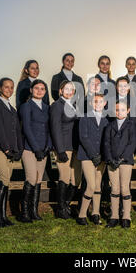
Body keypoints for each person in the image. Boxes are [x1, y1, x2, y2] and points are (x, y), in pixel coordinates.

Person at [0, 77, 23, 228]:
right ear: (0, 87)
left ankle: (3, 216)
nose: (9, 90)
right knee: (3, 178)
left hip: (12, 150)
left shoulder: (12, 109)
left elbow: (17, 131)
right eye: (6, 87)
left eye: (11, 87)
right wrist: (7, 148)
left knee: (7, 181)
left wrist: (19, 150)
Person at [18, 79, 53, 223]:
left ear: (45, 92)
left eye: (42, 89)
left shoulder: (47, 108)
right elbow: (26, 128)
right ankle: (24, 213)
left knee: (39, 180)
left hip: (43, 149)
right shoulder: (26, 106)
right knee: (31, 178)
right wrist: (36, 148)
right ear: (31, 90)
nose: (39, 91)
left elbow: (49, 129)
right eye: (37, 88)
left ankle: (34, 211)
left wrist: (48, 146)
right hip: (29, 149)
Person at [50, 81, 82, 219]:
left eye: (72, 89)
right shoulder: (57, 106)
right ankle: (61, 209)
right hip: (64, 147)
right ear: (61, 91)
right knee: (64, 177)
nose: (69, 91)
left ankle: (67, 204)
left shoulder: (75, 105)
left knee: (77, 179)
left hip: (76, 148)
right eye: (66, 89)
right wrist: (60, 150)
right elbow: (55, 128)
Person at [104, 101, 136, 228]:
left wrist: (122, 158)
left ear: (128, 111)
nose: (119, 112)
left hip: (125, 161)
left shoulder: (131, 125)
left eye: (123, 110)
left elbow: (132, 143)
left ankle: (126, 217)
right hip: (112, 162)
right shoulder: (109, 126)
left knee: (124, 188)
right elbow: (106, 144)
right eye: (117, 110)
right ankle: (114, 216)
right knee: (114, 188)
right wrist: (109, 159)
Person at [76, 94, 109, 225]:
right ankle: (82, 214)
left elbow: (106, 140)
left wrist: (101, 155)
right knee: (91, 185)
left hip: (101, 157)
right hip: (87, 156)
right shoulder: (85, 118)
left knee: (98, 185)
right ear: (91, 103)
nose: (98, 104)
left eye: (101, 102)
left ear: (105, 103)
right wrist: (93, 155)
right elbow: (83, 137)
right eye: (95, 102)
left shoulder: (106, 121)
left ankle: (96, 213)